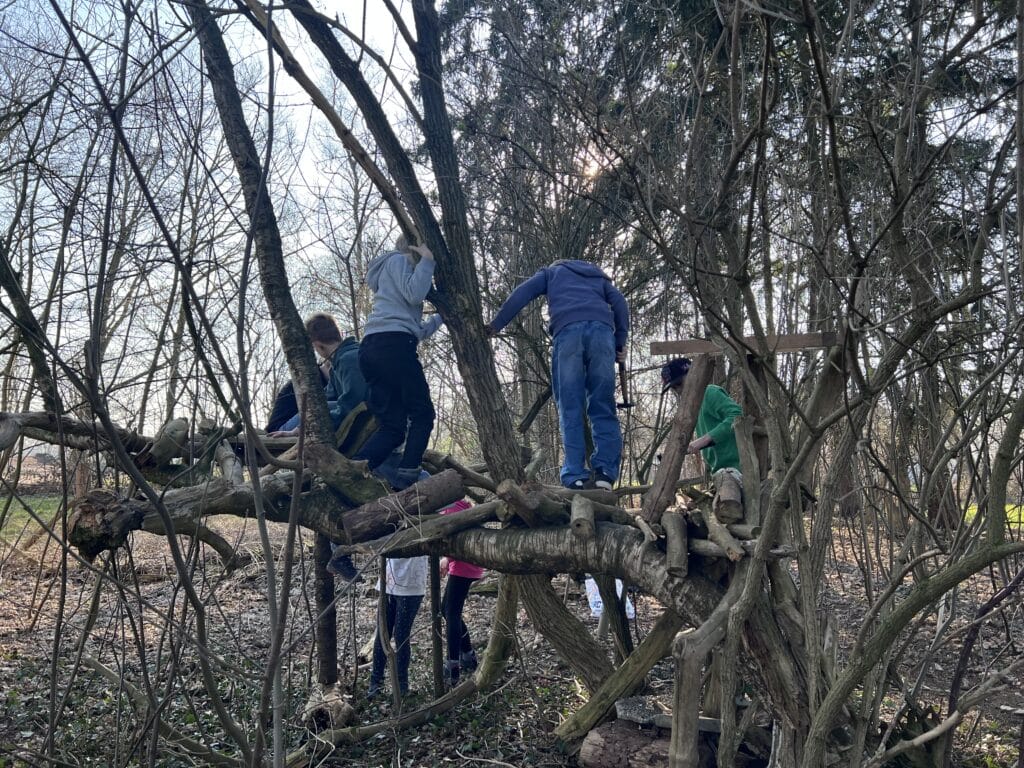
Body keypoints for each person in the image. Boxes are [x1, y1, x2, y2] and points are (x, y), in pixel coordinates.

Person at [486, 259, 629, 490]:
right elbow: (620, 303)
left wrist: (496, 324)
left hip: (568, 332)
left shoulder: (551, 274)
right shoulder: (598, 278)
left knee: (570, 404)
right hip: (603, 335)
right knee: (603, 404)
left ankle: (575, 475)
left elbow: (523, 292)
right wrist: (620, 342)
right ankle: (605, 474)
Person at [270, 313, 368, 581]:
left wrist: (303, 429)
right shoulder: (333, 367)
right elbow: (324, 404)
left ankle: (340, 551)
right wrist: (296, 430)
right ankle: (340, 552)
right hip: (286, 427)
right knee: (331, 482)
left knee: (336, 483)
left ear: (318, 345)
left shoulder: (346, 361)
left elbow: (346, 404)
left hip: (346, 432)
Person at [356, 236, 443, 491]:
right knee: (422, 413)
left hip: (374, 348)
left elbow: (414, 329)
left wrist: (441, 318)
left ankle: (354, 468)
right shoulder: (399, 261)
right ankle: (407, 478)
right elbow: (415, 294)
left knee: (394, 427)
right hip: (394, 346)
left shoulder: (388, 280)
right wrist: (428, 261)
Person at [270, 314, 367, 437]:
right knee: (316, 407)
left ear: (319, 345)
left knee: (318, 408)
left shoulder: (349, 360)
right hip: (283, 424)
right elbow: (323, 399)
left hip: (369, 420)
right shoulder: (338, 363)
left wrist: (304, 429)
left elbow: (353, 404)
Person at [661, 357, 744, 473]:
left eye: (679, 383)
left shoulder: (710, 393)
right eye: (673, 388)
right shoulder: (692, 406)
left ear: (692, 375)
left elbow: (737, 415)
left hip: (736, 468)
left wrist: (705, 440)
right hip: (719, 470)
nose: (678, 390)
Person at [437, 499, 484, 687]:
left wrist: (446, 559)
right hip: (465, 564)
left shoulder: (451, 507)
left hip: (463, 565)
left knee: (451, 613)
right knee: (447, 610)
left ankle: (453, 663)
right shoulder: (460, 506)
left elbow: (453, 536)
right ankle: (468, 655)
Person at [368, 555, 427, 700]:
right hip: (388, 581)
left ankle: (402, 685)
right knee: (382, 633)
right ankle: (375, 682)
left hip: (411, 583)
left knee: (401, 636)